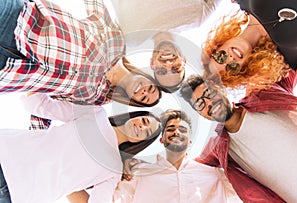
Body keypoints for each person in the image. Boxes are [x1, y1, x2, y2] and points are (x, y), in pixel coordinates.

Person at [0, 94, 162, 203]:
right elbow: (40, 105)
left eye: (146, 132)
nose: (141, 126)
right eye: (144, 121)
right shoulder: (96, 114)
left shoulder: (113, 169)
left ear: (140, 142)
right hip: (7, 151)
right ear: (133, 116)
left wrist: (66, 185)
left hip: (16, 193)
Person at [0, 0, 161, 107]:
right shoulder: (118, 43)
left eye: (144, 99)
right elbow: (95, 5)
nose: (144, 92)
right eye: (151, 88)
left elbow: (49, 106)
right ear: (147, 75)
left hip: (9, 72)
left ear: (134, 100)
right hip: (19, 20)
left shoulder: (97, 100)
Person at [180, 71, 297, 202]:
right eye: (200, 104)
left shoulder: (264, 92)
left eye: (209, 94)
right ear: (200, 113)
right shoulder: (219, 149)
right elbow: (186, 170)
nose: (209, 103)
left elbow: (291, 62)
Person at [112, 109, 241, 203]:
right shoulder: (139, 173)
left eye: (183, 130)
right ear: (162, 140)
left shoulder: (216, 175)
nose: (176, 132)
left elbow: (248, 194)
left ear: (190, 141)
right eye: (170, 129)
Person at [201, 0, 297, 89]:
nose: (230, 59)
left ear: (218, 46)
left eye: (220, 57)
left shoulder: (244, 2)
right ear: (244, 70)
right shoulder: (293, 58)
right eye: (232, 68)